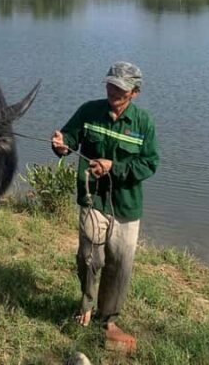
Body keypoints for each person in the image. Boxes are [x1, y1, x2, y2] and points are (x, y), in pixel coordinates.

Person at [51, 62, 159, 354]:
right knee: (89, 256)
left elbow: (150, 163)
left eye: (120, 89)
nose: (113, 92)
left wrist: (114, 167)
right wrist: (60, 144)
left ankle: (108, 318)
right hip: (93, 199)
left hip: (126, 205)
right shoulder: (89, 111)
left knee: (119, 264)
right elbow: (69, 139)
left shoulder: (144, 123)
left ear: (134, 93)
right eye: (110, 85)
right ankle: (86, 304)